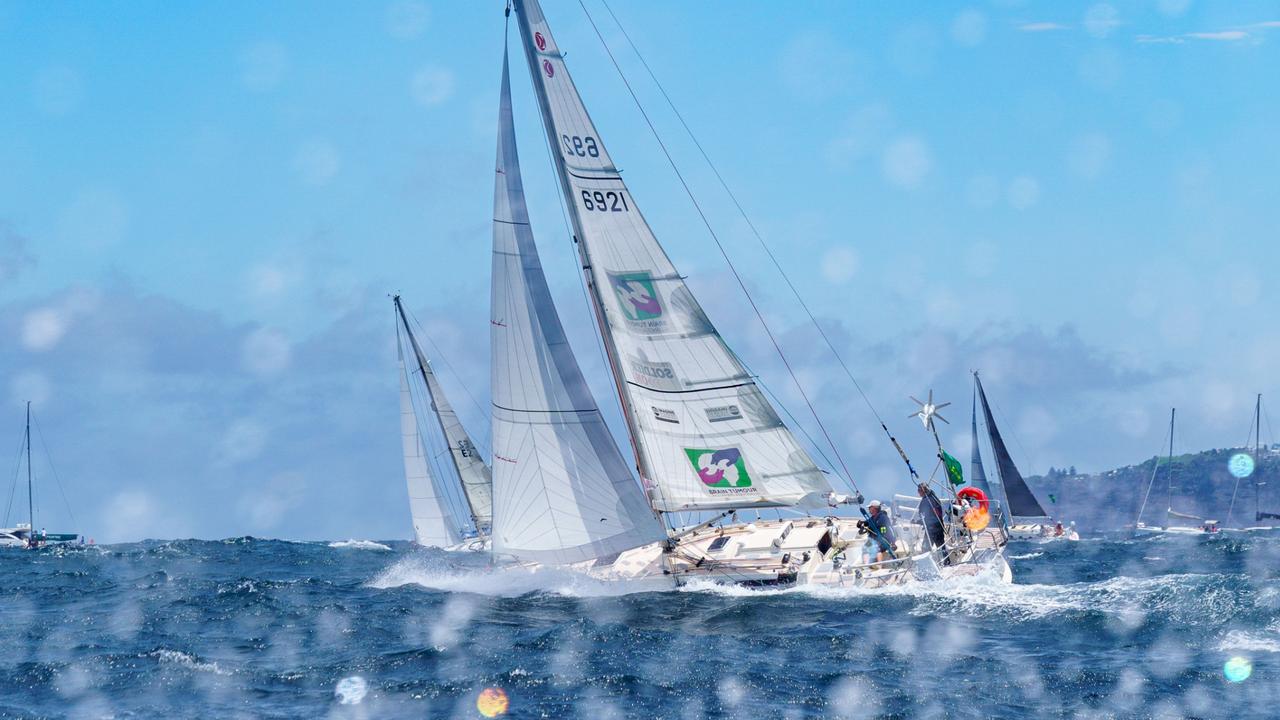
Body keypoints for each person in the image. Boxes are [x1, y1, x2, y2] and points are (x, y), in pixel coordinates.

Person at [916, 483, 946, 550]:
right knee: (941, 549)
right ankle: (946, 560)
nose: (918, 492)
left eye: (919, 490)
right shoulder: (934, 498)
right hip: (939, 527)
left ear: (923, 490)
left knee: (925, 550)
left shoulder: (926, 501)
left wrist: (917, 521)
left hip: (931, 529)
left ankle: (926, 561)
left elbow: (924, 516)